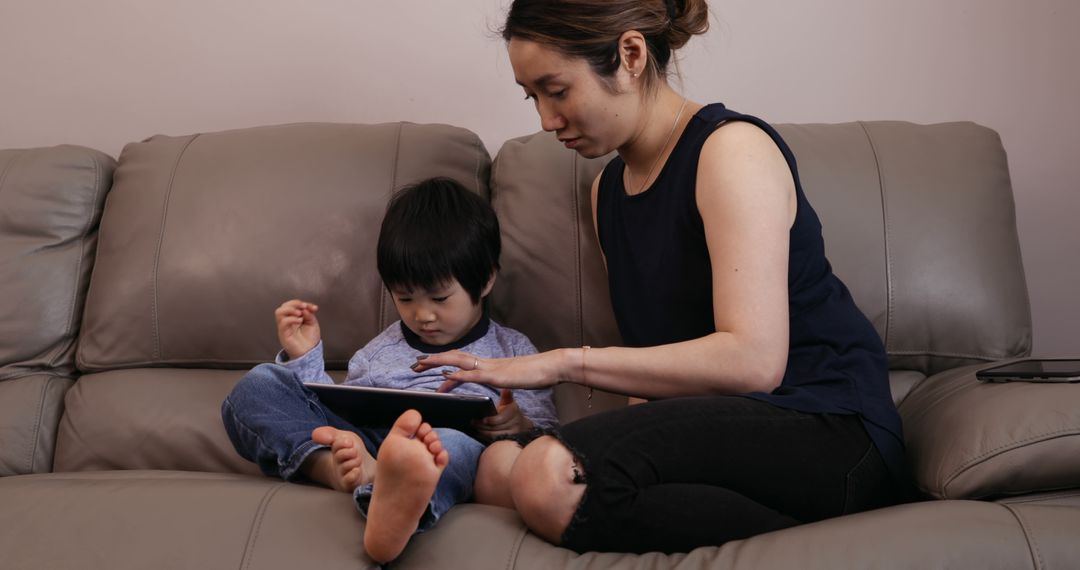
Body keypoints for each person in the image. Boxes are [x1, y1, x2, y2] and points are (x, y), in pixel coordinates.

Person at [416, 0, 913, 555]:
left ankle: (836, 537)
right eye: (532, 97)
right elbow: (656, 376)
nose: (546, 120)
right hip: (725, 430)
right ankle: (811, 543)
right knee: (498, 467)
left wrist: (561, 362)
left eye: (557, 90)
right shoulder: (608, 193)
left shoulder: (731, 151)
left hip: (827, 424)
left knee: (543, 475)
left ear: (630, 55)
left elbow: (754, 363)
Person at [220, 177, 558, 563]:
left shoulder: (513, 350)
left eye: (440, 298)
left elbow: (549, 436)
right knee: (259, 383)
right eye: (405, 298)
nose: (423, 315)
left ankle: (390, 496)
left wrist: (518, 423)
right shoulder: (376, 351)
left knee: (448, 446)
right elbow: (336, 409)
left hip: (452, 447)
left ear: (485, 281)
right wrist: (306, 356)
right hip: (372, 444)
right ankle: (328, 466)